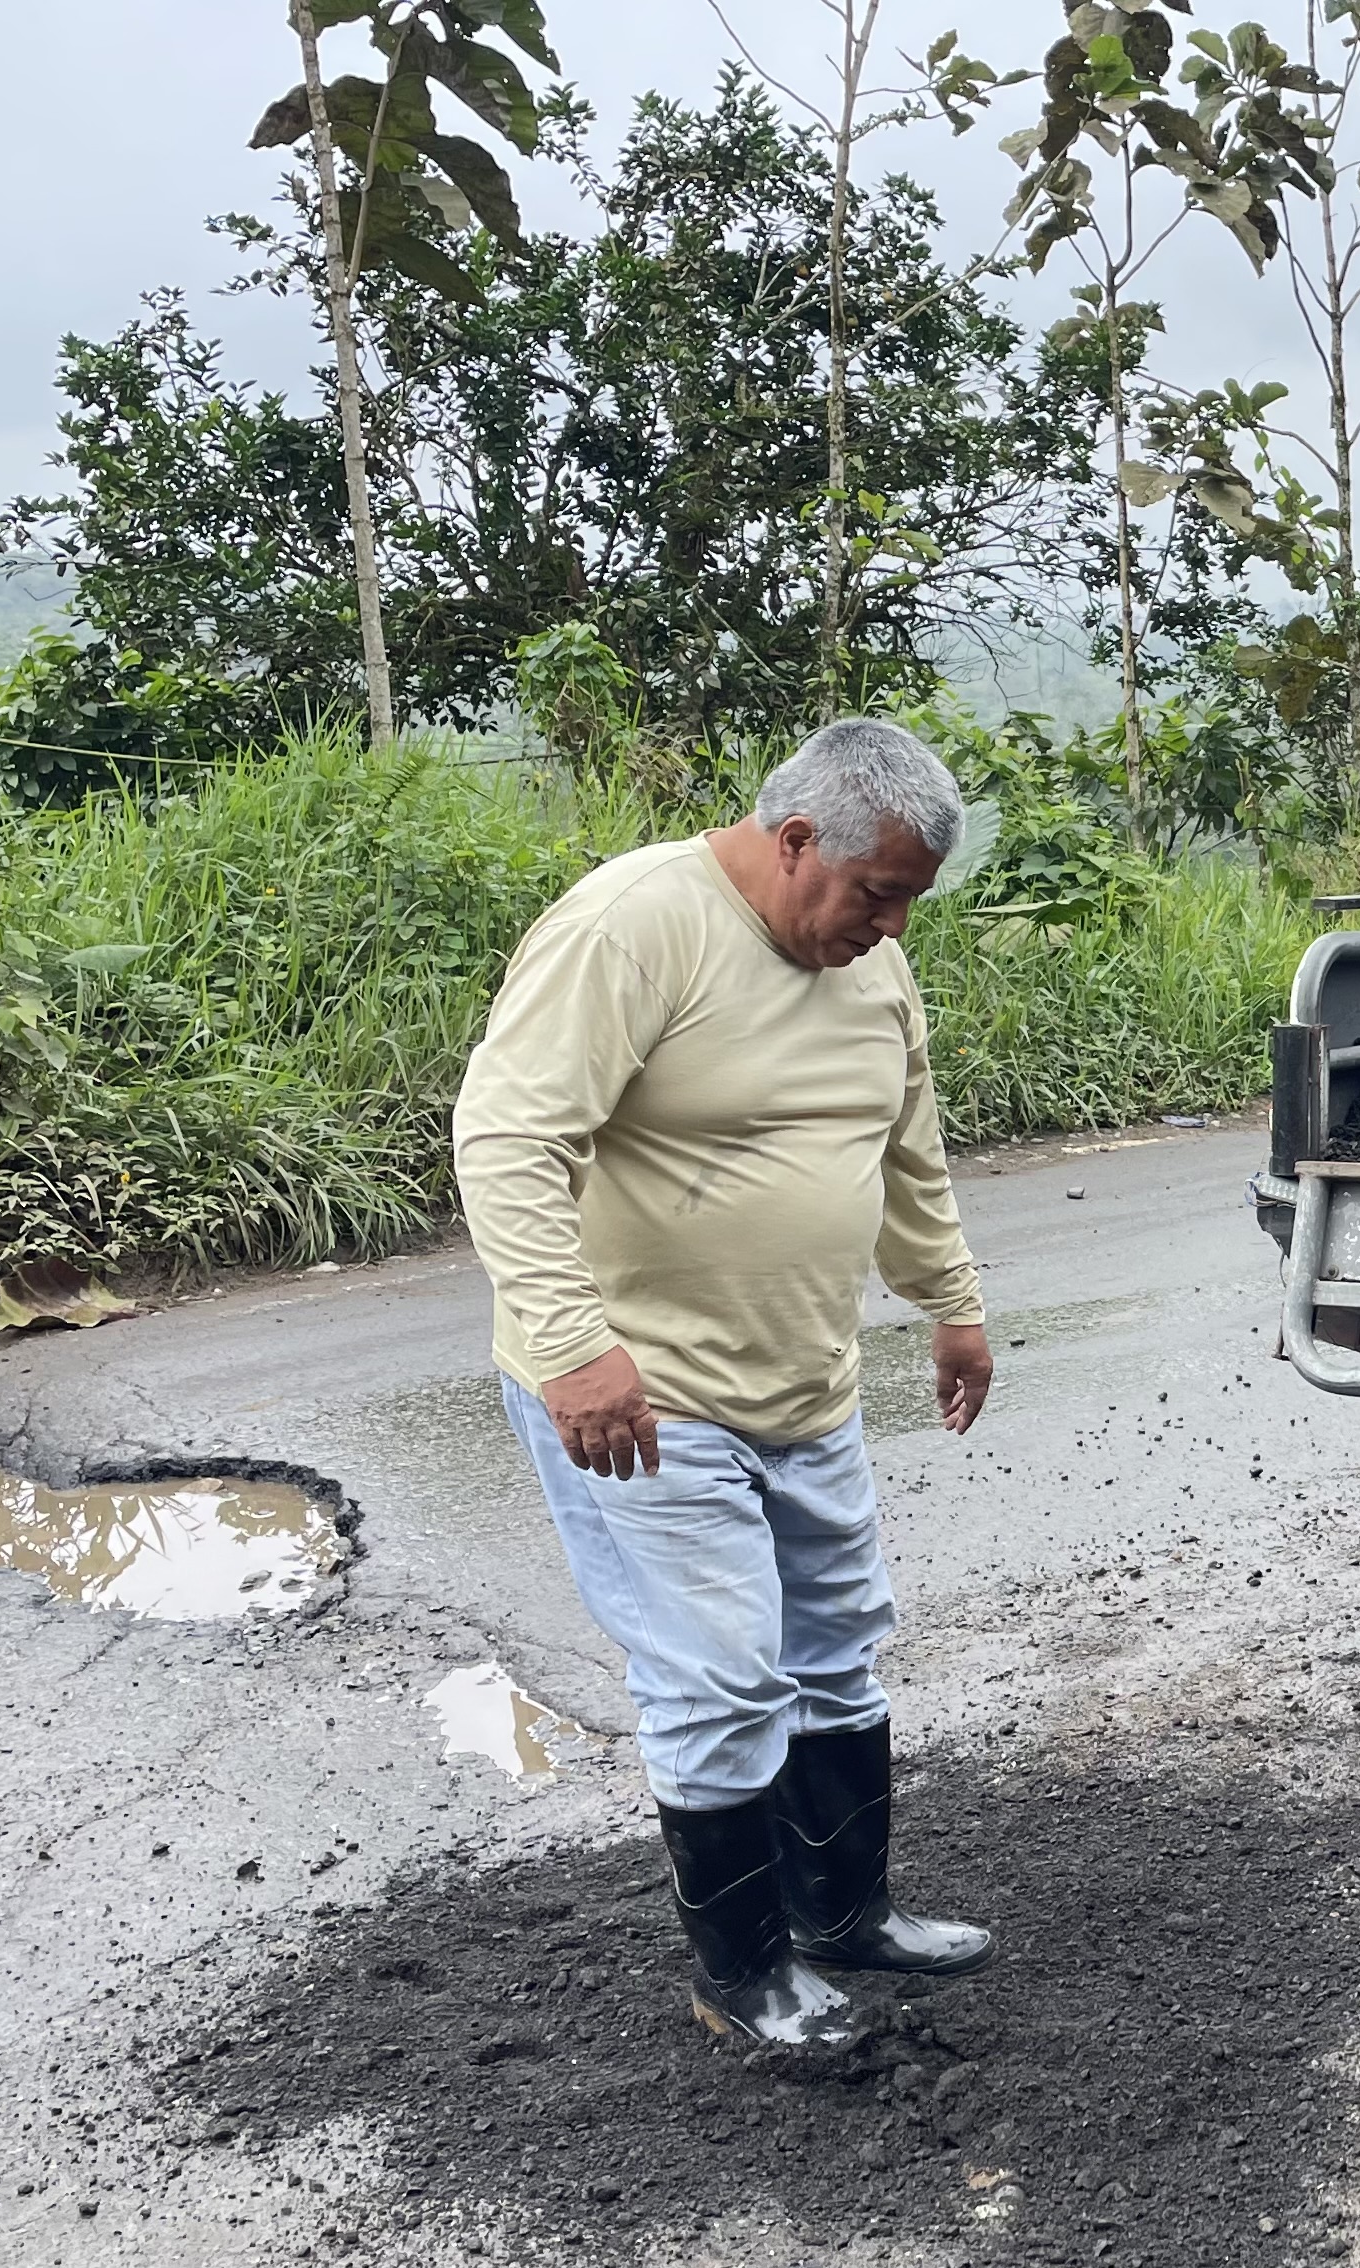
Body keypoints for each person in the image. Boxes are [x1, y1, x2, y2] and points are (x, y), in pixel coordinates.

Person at [452, 717, 1001, 2047]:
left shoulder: (873, 971)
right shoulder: (634, 928)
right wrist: (573, 1346)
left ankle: (845, 1916)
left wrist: (952, 1305)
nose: (893, 929)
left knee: (835, 1654)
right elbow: (508, 1138)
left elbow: (905, 1153)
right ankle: (742, 1978)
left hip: (806, 1383)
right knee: (720, 1679)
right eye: (878, 894)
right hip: (645, 1399)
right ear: (795, 838)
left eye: (911, 903)